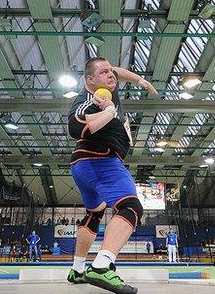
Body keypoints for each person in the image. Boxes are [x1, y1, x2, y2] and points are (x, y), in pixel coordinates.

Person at [66, 57, 157, 294]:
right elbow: (76, 127)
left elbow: (118, 71)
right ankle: (101, 265)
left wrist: (140, 80)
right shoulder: (86, 100)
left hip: (83, 166)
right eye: (104, 72)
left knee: (94, 214)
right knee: (131, 207)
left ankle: (77, 269)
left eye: (111, 72)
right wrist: (108, 110)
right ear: (89, 80)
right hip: (100, 159)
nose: (112, 75)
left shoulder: (107, 86)